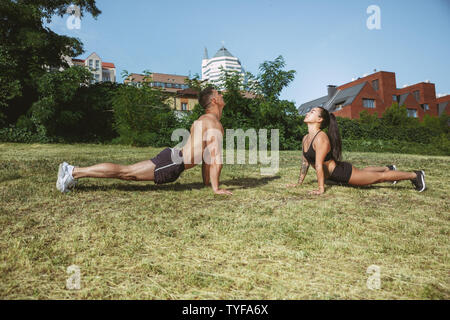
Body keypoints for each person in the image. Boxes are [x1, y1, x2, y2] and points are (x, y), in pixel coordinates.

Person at [56, 87, 233, 195]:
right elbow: (215, 159)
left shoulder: (203, 120)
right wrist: (216, 189)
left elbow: (208, 158)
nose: (223, 95)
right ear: (214, 100)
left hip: (173, 158)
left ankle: (72, 171)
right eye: (219, 93)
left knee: (127, 172)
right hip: (173, 162)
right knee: (127, 172)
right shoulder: (214, 124)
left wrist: (206, 183)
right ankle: (72, 172)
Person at [286, 107, 426, 194]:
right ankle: (388, 168)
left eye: (312, 112)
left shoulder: (320, 138)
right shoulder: (305, 138)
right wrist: (298, 183)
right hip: (336, 175)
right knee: (364, 171)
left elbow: (318, 165)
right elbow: (305, 163)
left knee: (379, 178)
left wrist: (321, 188)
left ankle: (415, 175)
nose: (308, 113)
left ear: (319, 119)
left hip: (342, 173)